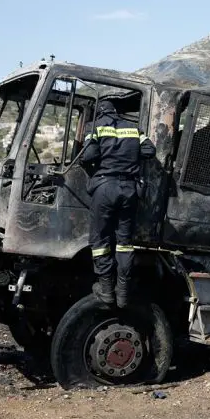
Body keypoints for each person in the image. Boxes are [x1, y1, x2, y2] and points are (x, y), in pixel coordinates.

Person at [81, 99, 156, 308]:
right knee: (124, 243)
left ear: (100, 113)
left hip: (105, 187)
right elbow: (150, 151)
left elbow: (88, 155)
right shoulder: (133, 128)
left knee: (100, 240)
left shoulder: (95, 127)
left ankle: (106, 290)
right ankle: (122, 293)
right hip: (129, 190)